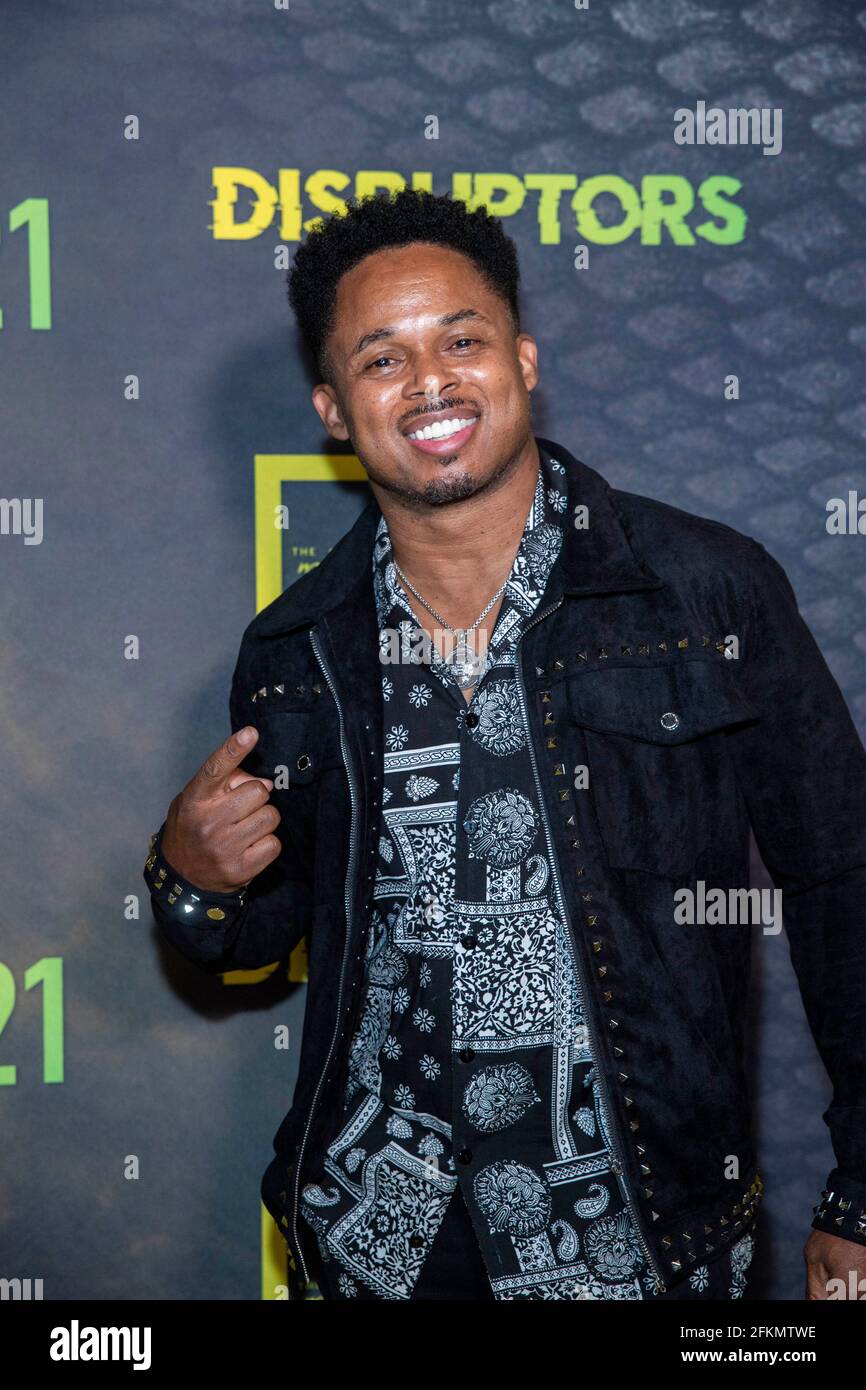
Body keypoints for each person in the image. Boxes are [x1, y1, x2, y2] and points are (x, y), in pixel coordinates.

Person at [144, 189, 866, 1302]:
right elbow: (259, 937)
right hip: (375, 1239)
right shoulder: (297, 648)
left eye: (461, 340)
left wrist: (859, 1189)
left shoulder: (702, 590)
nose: (429, 380)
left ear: (521, 360)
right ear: (335, 408)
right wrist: (191, 880)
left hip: (636, 1241)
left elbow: (842, 880)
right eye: (382, 359)